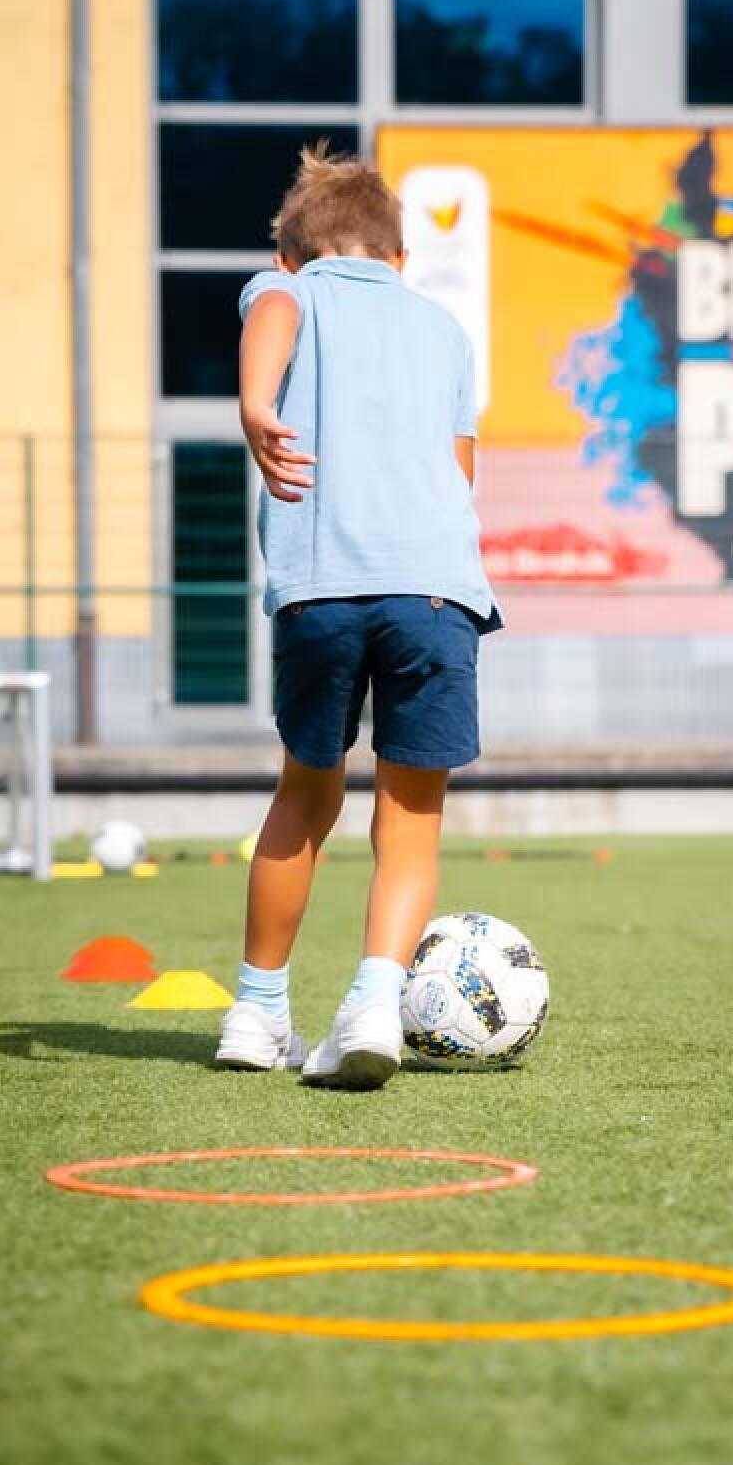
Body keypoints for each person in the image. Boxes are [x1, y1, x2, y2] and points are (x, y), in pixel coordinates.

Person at [214, 144, 501, 1090]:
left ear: (292, 254)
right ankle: (375, 1002)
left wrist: (256, 405)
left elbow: (274, 308)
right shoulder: (444, 330)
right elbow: (460, 473)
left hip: (322, 590)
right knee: (412, 815)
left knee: (305, 793)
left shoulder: (290, 289)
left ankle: (256, 1011)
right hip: (436, 592)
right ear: (400, 258)